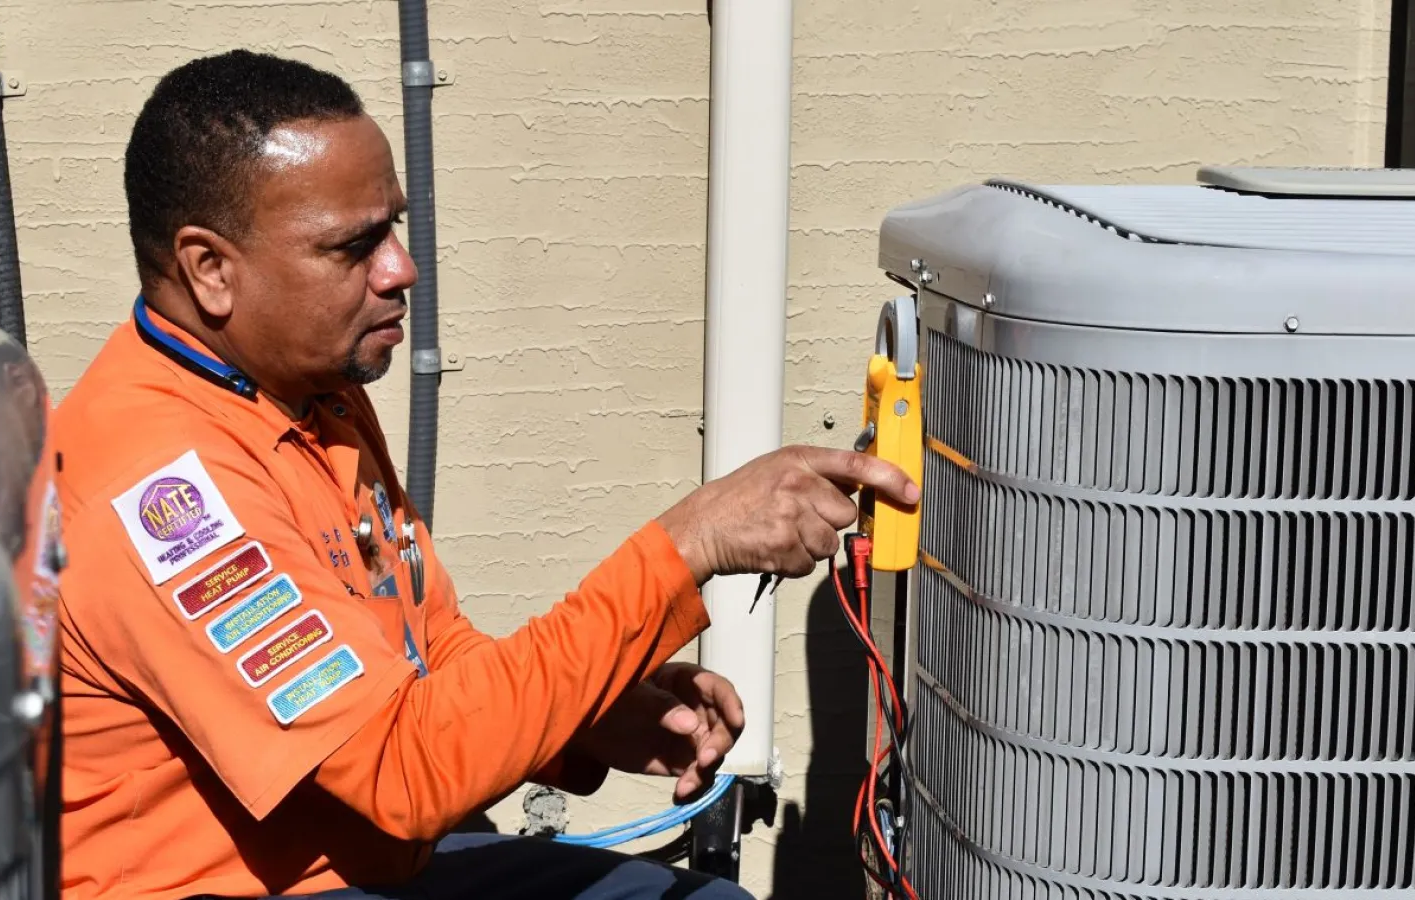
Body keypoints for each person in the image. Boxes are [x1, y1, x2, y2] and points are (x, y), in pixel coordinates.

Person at [49, 49, 918, 900]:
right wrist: (686, 545)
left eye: (393, 226)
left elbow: (428, 656)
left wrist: (584, 718)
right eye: (353, 245)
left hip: (370, 866)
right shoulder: (165, 494)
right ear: (210, 270)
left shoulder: (309, 394)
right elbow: (403, 772)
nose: (401, 267)